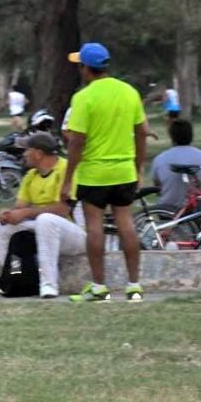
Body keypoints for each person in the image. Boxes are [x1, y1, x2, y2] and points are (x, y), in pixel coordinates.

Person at [62, 42, 147, 303]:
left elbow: (77, 142)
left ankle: (99, 286)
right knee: (127, 224)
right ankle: (134, 285)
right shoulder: (129, 92)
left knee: (95, 226)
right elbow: (141, 132)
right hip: (124, 170)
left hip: (93, 173)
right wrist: (138, 167)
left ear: (86, 68)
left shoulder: (83, 97)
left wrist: (67, 180)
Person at [0, 132, 86, 298]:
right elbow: (20, 207)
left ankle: (49, 285)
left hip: (74, 234)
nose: (23, 154)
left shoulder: (65, 170)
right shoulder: (30, 176)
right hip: (43, 229)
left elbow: (63, 210)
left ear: (38, 154)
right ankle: (17, 278)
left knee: (45, 220)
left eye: (26, 150)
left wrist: (27, 212)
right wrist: (10, 215)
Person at [151, 120, 201, 207]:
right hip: (200, 211)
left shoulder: (159, 159)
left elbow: (158, 188)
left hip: (167, 210)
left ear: (172, 136)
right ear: (191, 135)